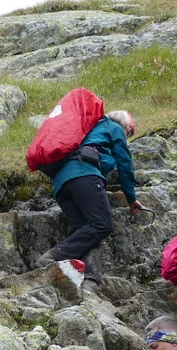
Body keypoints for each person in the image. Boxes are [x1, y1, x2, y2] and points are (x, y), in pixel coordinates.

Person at [36, 110, 143, 293]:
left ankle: (90, 281)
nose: (128, 137)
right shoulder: (114, 127)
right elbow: (124, 162)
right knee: (103, 224)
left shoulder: (89, 131)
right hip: (84, 174)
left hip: (62, 184)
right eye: (130, 133)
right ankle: (52, 257)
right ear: (125, 125)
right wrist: (131, 197)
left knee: (89, 231)